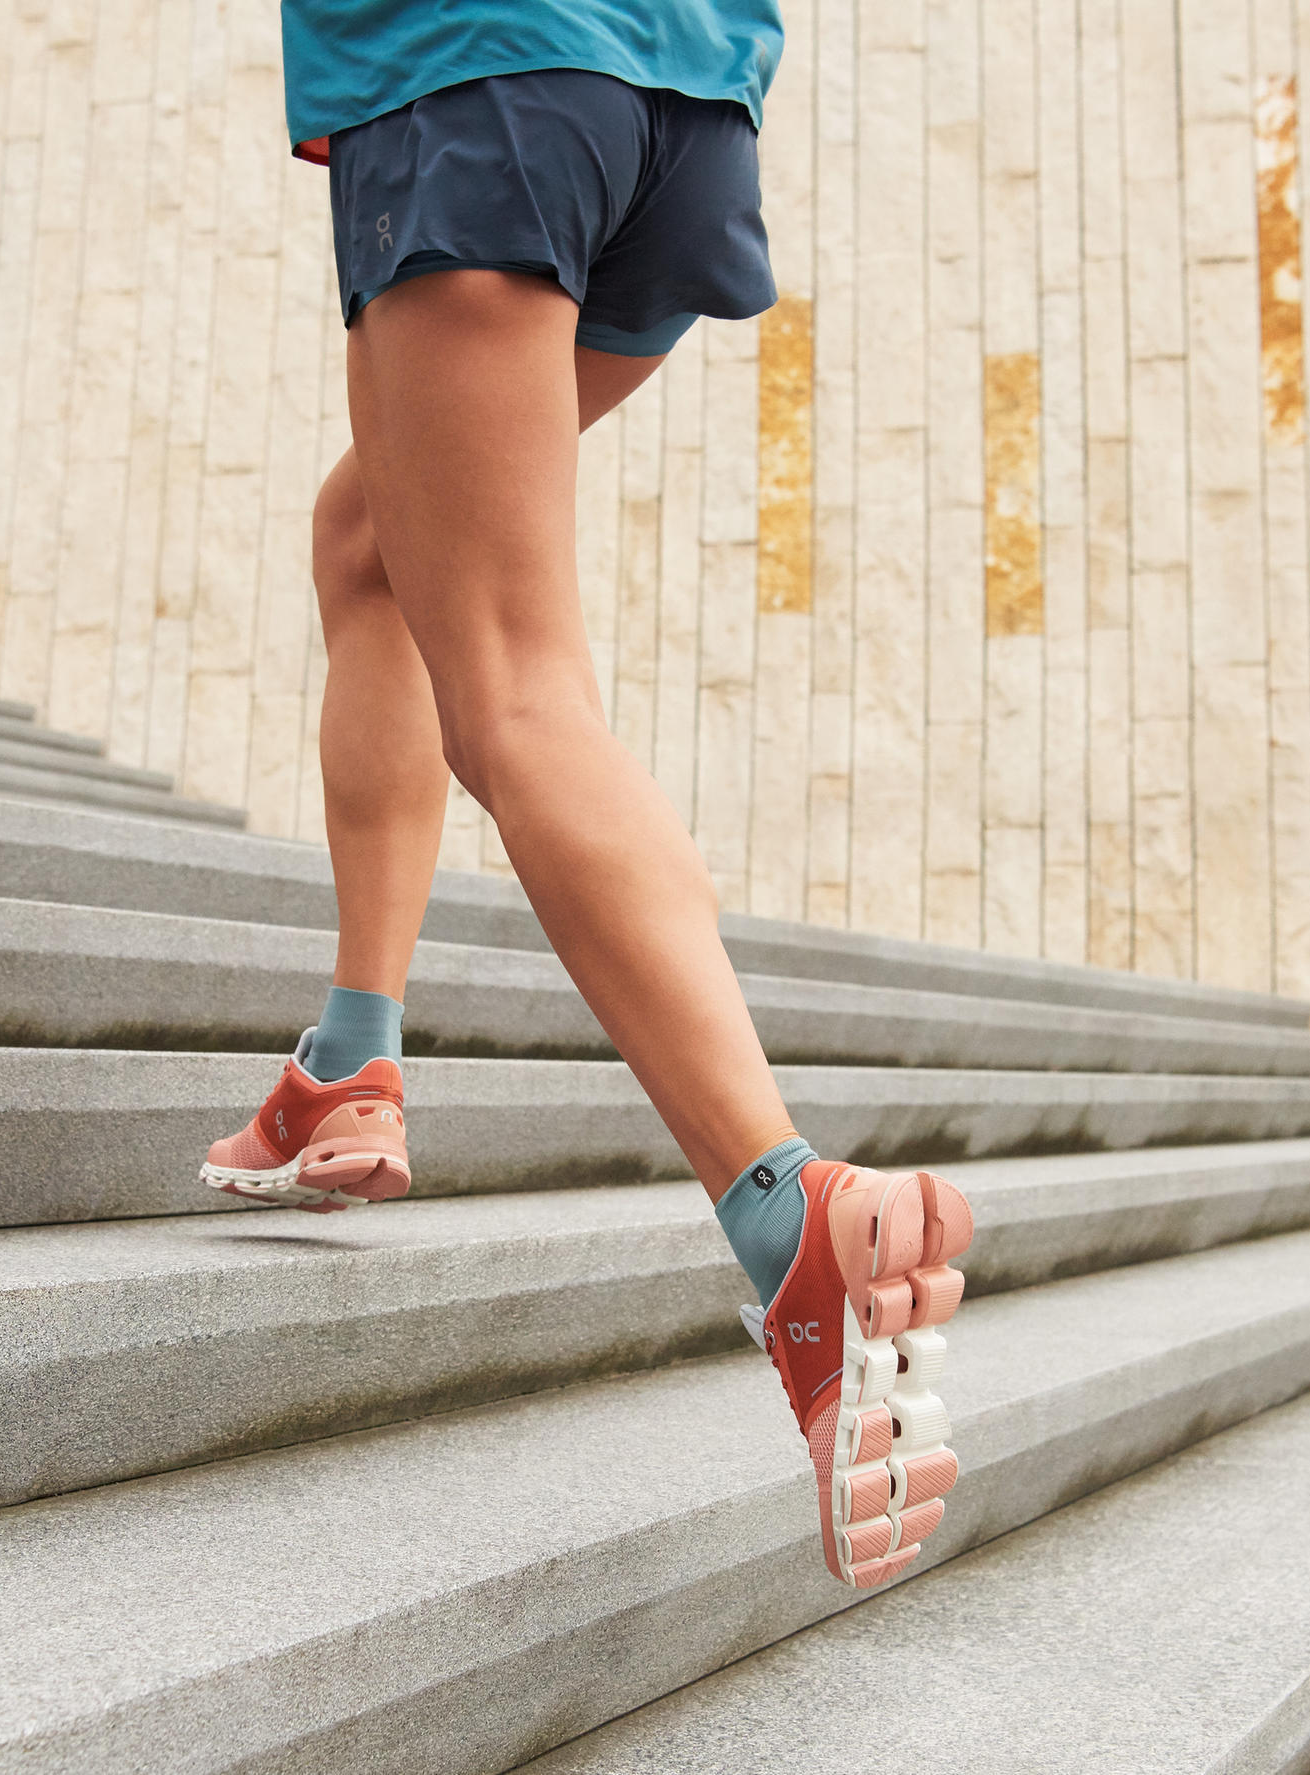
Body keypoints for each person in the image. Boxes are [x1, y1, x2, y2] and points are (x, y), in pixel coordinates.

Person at [194, 1, 974, 1589]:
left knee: (517, 689)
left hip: (477, 78)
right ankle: (350, 1058)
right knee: (373, 539)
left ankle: (784, 1214)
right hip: (680, 110)